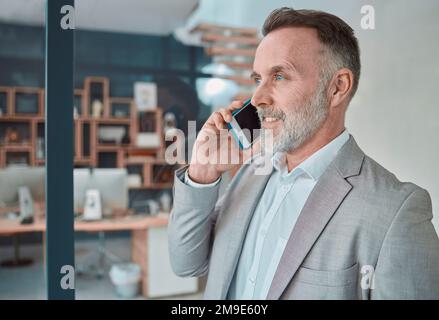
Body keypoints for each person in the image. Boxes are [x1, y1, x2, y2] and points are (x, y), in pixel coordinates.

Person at [168, 7, 439, 299]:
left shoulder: (397, 212)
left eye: (280, 76)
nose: (258, 98)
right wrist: (202, 175)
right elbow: (186, 264)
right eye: (257, 79)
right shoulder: (250, 173)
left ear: (337, 87)